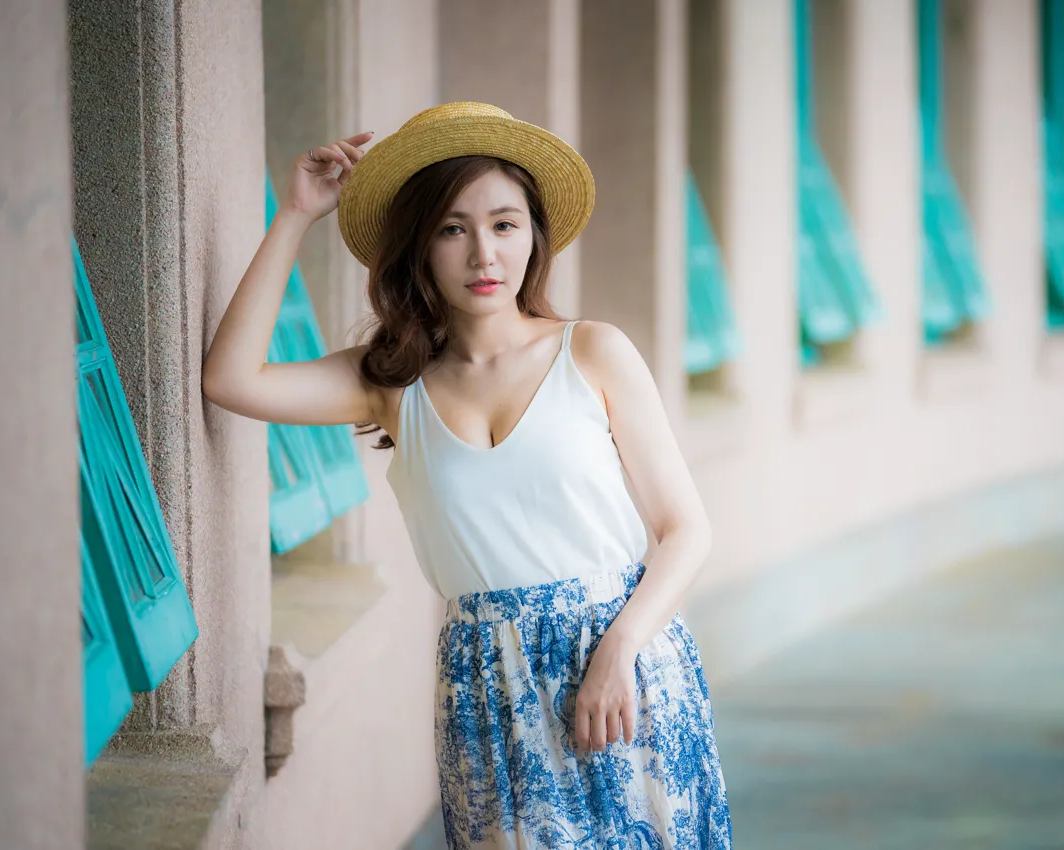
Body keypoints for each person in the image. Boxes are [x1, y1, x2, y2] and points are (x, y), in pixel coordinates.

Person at [202, 102, 732, 849]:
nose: (483, 254)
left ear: (533, 237)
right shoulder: (391, 381)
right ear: (420, 247)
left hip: (626, 672)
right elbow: (231, 380)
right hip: (489, 688)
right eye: (454, 228)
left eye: (505, 224)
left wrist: (620, 650)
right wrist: (295, 214)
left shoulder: (594, 354)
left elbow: (686, 530)